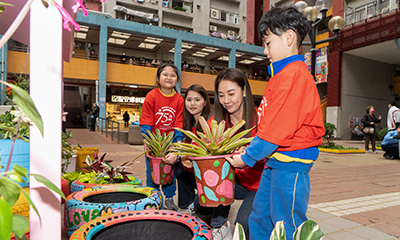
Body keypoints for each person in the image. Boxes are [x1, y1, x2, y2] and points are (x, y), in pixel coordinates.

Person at [226, 7, 325, 240]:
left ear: (289, 38)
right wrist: (251, 148)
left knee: (287, 222)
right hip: (276, 161)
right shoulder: (281, 75)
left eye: (268, 43)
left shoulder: (295, 76)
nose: (264, 50)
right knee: (259, 217)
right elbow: (270, 124)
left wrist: (248, 158)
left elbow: (278, 129)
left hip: (290, 164)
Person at [184, 69, 262, 240]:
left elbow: (270, 150)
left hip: (259, 184)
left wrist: (250, 154)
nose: (226, 100)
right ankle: (219, 226)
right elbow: (198, 147)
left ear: (243, 91)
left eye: (231, 93)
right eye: (221, 95)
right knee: (201, 203)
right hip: (234, 182)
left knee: (243, 224)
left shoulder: (261, 118)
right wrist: (188, 160)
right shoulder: (216, 121)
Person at [140, 63, 184, 211]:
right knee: (151, 172)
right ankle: (153, 199)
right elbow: (146, 119)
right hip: (154, 143)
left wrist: (178, 142)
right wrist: (146, 139)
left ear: (177, 79)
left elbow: (179, 122)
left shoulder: (179, 99)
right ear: (158, 77)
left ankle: (169, 199)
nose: (168, 78)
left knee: (169, 171)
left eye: (172, 75)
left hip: (170, 143)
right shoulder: (151, 96)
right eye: (165, 74)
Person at [163, 84, 212, 212]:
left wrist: (179, 154)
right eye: (189, 100)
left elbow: (200, 149)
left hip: (210, 174)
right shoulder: (188, 123)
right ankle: (185, 206)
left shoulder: (210, 121)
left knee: (204, 209)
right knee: (179, 169)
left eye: (197, 100)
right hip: (196, 171)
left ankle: (199, 205)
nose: (192, 103)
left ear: (205, 102)